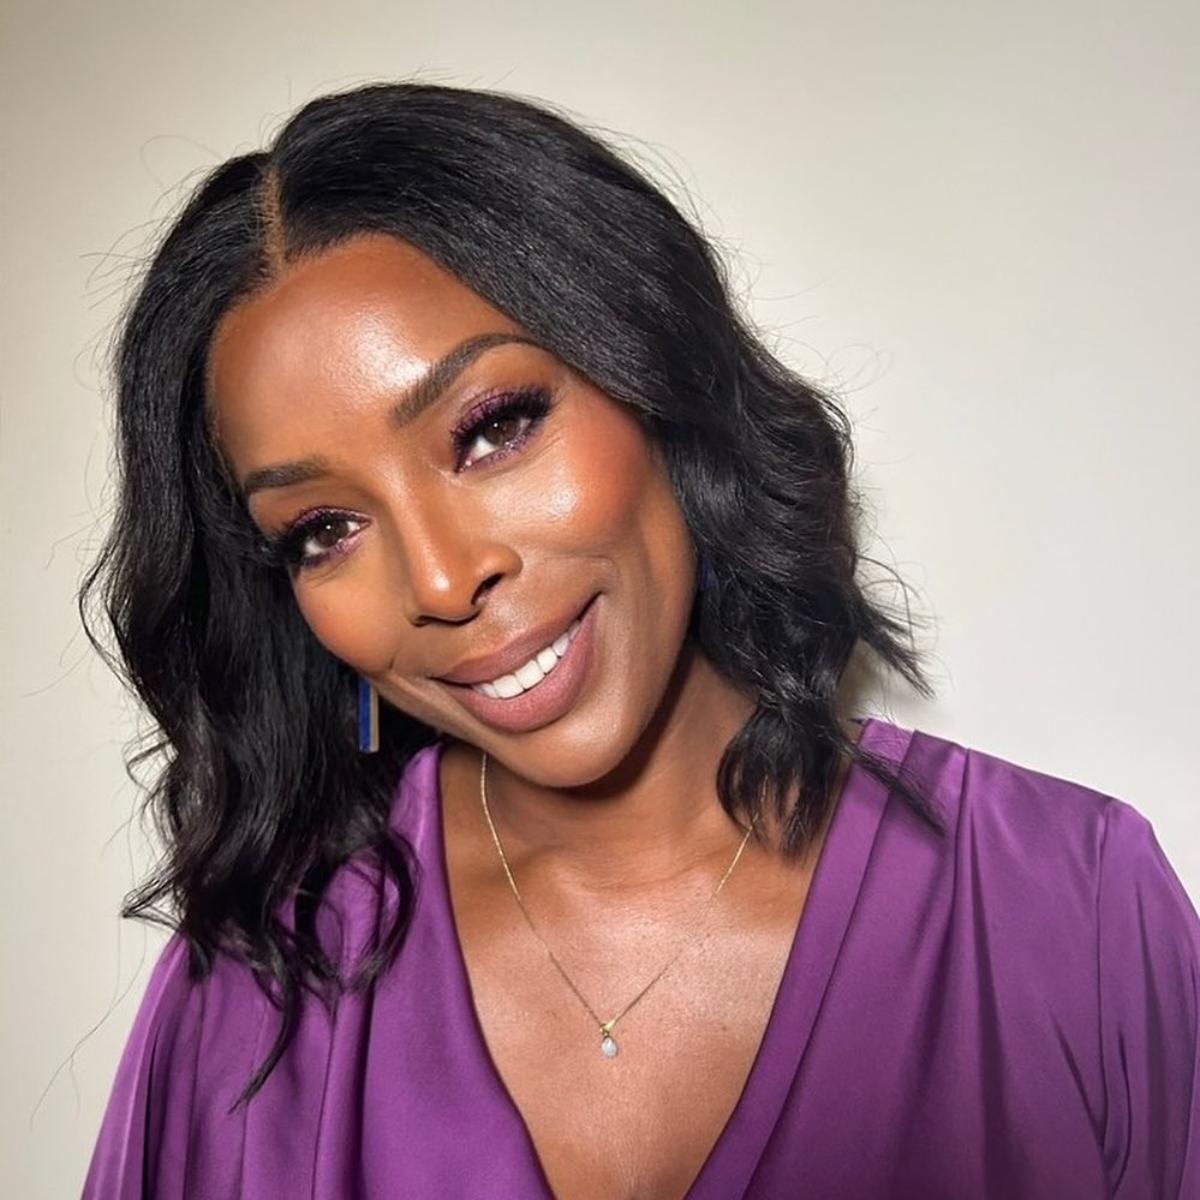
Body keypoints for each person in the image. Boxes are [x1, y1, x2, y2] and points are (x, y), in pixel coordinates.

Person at [79, 82, 1198, 1200]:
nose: (440, 578)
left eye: (493, 428)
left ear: (656, 376)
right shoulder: (255, 995)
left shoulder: (1071, 912)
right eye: (325, 528)